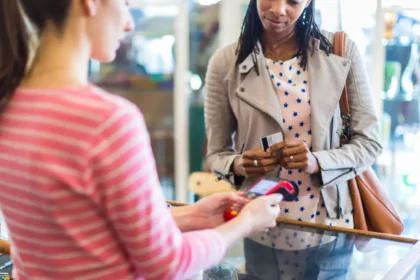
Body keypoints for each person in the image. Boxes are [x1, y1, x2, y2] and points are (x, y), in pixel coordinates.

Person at [0, 1, 283, 279]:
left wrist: (192, 216)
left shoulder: (9, 106)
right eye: (124, 3)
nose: (129, 23)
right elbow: (168, 263)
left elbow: (76, 231)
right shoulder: (107, 121)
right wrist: (244, 224)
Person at [205, 0, 382, 277]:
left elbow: (370, 143)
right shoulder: (226, 62)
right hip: (259, 227)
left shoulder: (340, 52)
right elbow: (216, 154)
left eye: (293, 1)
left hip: (329, 229)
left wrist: (318, 161)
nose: (278, 10)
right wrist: (240, 165)